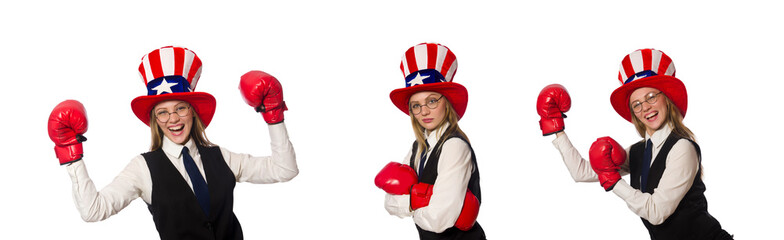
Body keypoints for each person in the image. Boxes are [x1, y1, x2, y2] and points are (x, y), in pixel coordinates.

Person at [47, 46, 298, 240]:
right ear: (155, 120)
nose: (173, 119)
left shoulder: (222, 157)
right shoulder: (142, 168)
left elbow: (285, 169)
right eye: (163, 112)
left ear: (193, 112)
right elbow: (93, 210)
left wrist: (273, 114)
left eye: (180, 108)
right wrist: (71, 153)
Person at [537, 49, 732, 239]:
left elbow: (656, 213)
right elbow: (582, 173)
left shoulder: (683, 148)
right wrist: (556, 127)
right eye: (636, 104)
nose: (645, 107)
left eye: (651, 97)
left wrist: (613, 181)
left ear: (666, 98)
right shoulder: (640, 151)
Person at [374, 43, 486, 240]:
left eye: (432, 100)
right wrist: (423, 200)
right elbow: (389, 204)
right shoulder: (418, 147)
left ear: (447, 102)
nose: (424, 111)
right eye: (416, 105)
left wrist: (410, 203)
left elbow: (438, 220)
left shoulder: (454, 146)